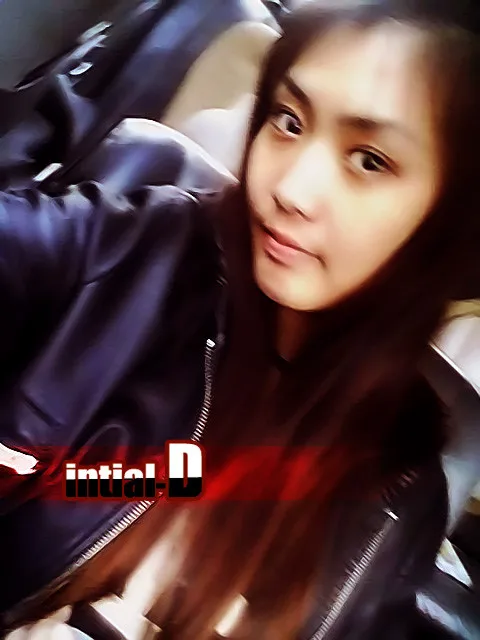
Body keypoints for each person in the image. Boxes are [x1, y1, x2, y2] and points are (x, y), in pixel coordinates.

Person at [0, 0, 479, 638]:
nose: (290, 189)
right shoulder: (121, 258)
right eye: (288, 120)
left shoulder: (401, 495)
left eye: (370, 159)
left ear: (450, 216)